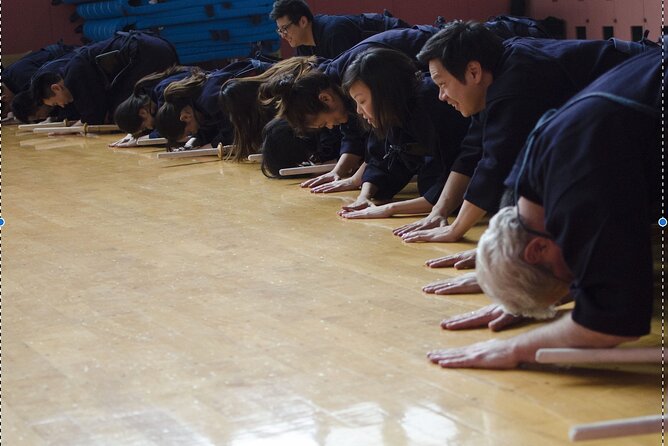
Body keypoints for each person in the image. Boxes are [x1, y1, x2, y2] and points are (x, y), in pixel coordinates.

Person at [427, 48, 662, 369]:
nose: (581, 281)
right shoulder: (530, 181)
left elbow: (613, 321)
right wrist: (523, 299)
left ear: (538, 248)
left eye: (572, 278)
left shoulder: (582, 184)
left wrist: (516, 349)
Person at [397, 21, 652, 246]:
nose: (441, 96)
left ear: (473, 71)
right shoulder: (494, 74)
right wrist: (439, 212)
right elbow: (472, 150)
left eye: (442, 84)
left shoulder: (517, 82)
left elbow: (495, 163)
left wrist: (457, 229)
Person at [265, 26, 442, 190]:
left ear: (325, 98)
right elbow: (353, 132)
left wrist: (359, 179)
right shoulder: (336, 87)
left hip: (441, 60)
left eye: (324, 122)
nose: (330, 127)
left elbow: (383, 131)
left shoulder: (359, 73)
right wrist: (338, 172)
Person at [331, 47, 469, 216]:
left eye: (362, 101)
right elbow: (381, 159)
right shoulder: (390, 113)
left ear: (386, 93)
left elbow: (453, 183)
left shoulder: (432, 104)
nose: (359, 111)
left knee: (430, 183)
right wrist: (364, 197)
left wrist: (390, 209)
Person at [31, 31, 178, 125]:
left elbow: (94, 117)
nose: (62, 106)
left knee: (123, 106)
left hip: (146, 52)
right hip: (155, 46)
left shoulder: (74, 76)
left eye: (56, 102)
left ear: (56, 88)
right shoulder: (73, 68)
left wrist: (75, 128)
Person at [269, 0, 409, 59]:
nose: (283, 35)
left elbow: (346, 76)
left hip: (400, 41)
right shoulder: (302, 46)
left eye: (285, 29)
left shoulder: (334, 33)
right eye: (280, 31)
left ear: (303, 21)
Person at [111, 65, 196, 147]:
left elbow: (168, 129)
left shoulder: (163, 92)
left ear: (143, 113)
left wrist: (138, 141)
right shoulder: (149, 89)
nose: (150, 128)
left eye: (144, 128)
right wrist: (132, 135)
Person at [2, 41, 77, 119]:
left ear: (5, 98)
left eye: (8, 110)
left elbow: (53, 94)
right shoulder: (10, 80)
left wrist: (60, 117)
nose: (10, 111)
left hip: (70, 57)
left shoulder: (21, 77)